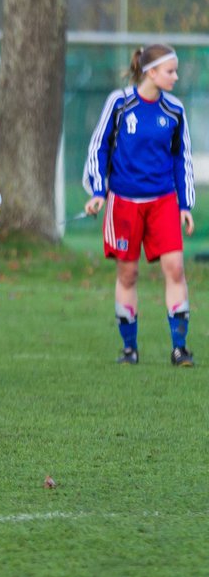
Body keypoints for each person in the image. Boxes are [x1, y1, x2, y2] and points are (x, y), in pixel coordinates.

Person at [83, 43, 195, 367]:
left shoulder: (174, 110)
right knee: (128, 274)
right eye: (170, 71)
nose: (175, 76)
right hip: (124, 203)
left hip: (163, 201)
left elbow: (181, 157)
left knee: (175, 268)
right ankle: (129, 349)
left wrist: (185, 204)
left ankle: (180, 349)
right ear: (151, 72)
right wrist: (98, 190)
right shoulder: (119, 103)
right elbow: (98, 147)